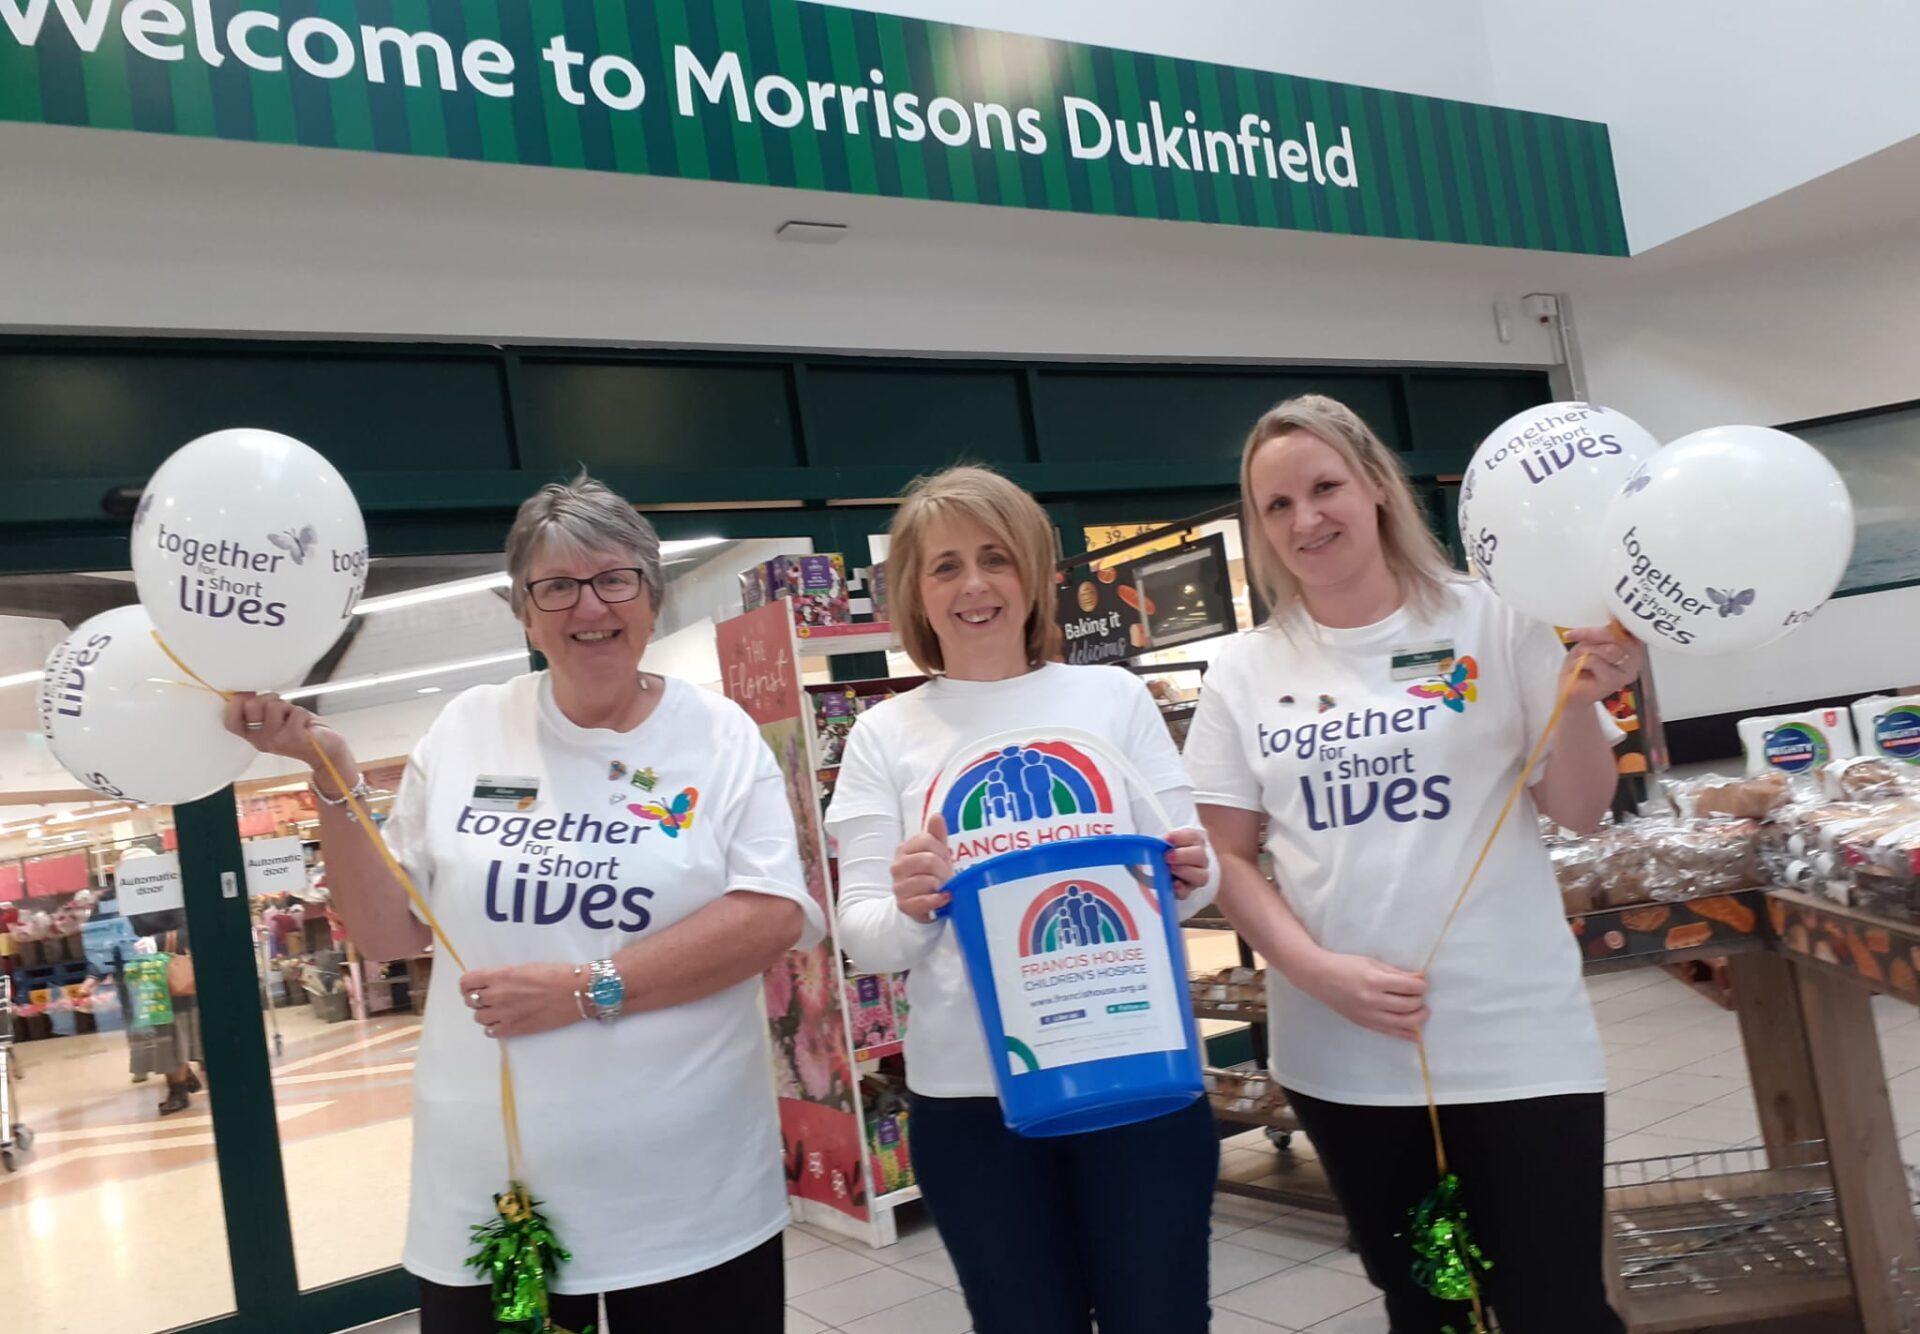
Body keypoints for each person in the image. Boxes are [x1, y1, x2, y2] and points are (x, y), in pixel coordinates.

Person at [226, 474, 823, 1334]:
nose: (591, 606)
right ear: (525, 611)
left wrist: (587, 988)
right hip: (494, 1197)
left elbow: (770, 913)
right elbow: (388, 931)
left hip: (690, 1192)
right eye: (557, 586)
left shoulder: (718, 735)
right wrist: (333, 781)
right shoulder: (470, 728)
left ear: (650, 596)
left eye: (614, 578)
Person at [1183, 395, 1642, 1333]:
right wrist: (1314, 974)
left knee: (1556, 1305)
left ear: (1377, 488)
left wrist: (1586, 700)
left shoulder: (1497, 620)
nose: (1306, 519)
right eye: (1277, 506)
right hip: (1342, 1052)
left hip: (1517, 1038)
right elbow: (1223, 855)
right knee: (1426, 1305)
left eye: (1324, 487)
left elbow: (1581, 809)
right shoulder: (1243, 669)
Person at [826, 464, 1221, 1334]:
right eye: (945, 566)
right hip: (972, 1099)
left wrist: (1191, 875)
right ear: (915, 593)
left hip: (1135, 1068)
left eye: (996, 558)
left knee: (1160, 1315)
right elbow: (865, 937)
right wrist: (911, 903)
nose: (975, 585)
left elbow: (1191, 880)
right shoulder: (883, 735)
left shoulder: (1111, 699)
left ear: (1034, 573)